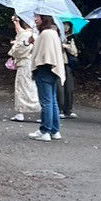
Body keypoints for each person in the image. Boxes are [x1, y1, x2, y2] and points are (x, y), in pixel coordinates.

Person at [28, 12, 66, 141]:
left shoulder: (46, 33)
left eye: (37, 17)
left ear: (44, 18)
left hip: (44, 69)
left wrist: (35, 43)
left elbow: (41, 54)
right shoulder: (53, 32)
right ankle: (55, 130)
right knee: (52, 101)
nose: (35, 19)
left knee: (46, 102)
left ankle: (45, 131)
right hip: (53, 70)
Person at [8, 14, 39, 122]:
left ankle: (20, 112)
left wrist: (14, 46)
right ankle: (41, 112)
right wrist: (16, 22)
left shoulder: (25, 34)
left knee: (22, 88)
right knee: (34, 87)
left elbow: (18, 50)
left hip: (25, 63)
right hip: (34, 63)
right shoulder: (36, 34)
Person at [60, 21, 80, 117]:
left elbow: (74, 51)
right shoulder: (56, 36)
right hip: (59, 63)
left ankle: (68, 109)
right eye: (64, 25)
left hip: (69, 64)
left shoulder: (72, 37)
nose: (66, 27)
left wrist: (65, 46)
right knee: (60, 87)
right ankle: (60, 109)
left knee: (69, 87)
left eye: (68, 25)